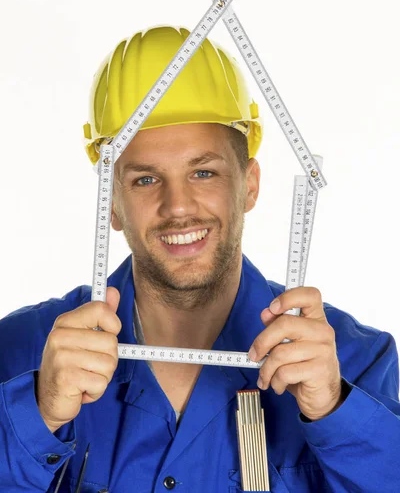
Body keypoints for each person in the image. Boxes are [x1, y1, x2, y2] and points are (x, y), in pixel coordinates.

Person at [0, 25, 399, 493]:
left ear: (249, 184)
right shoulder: (22, 351)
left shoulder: (355, 363)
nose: (179, 207)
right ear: (110, 203)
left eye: (203, 172)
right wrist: (38, 416)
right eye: (146, 180)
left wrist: (335, 411)